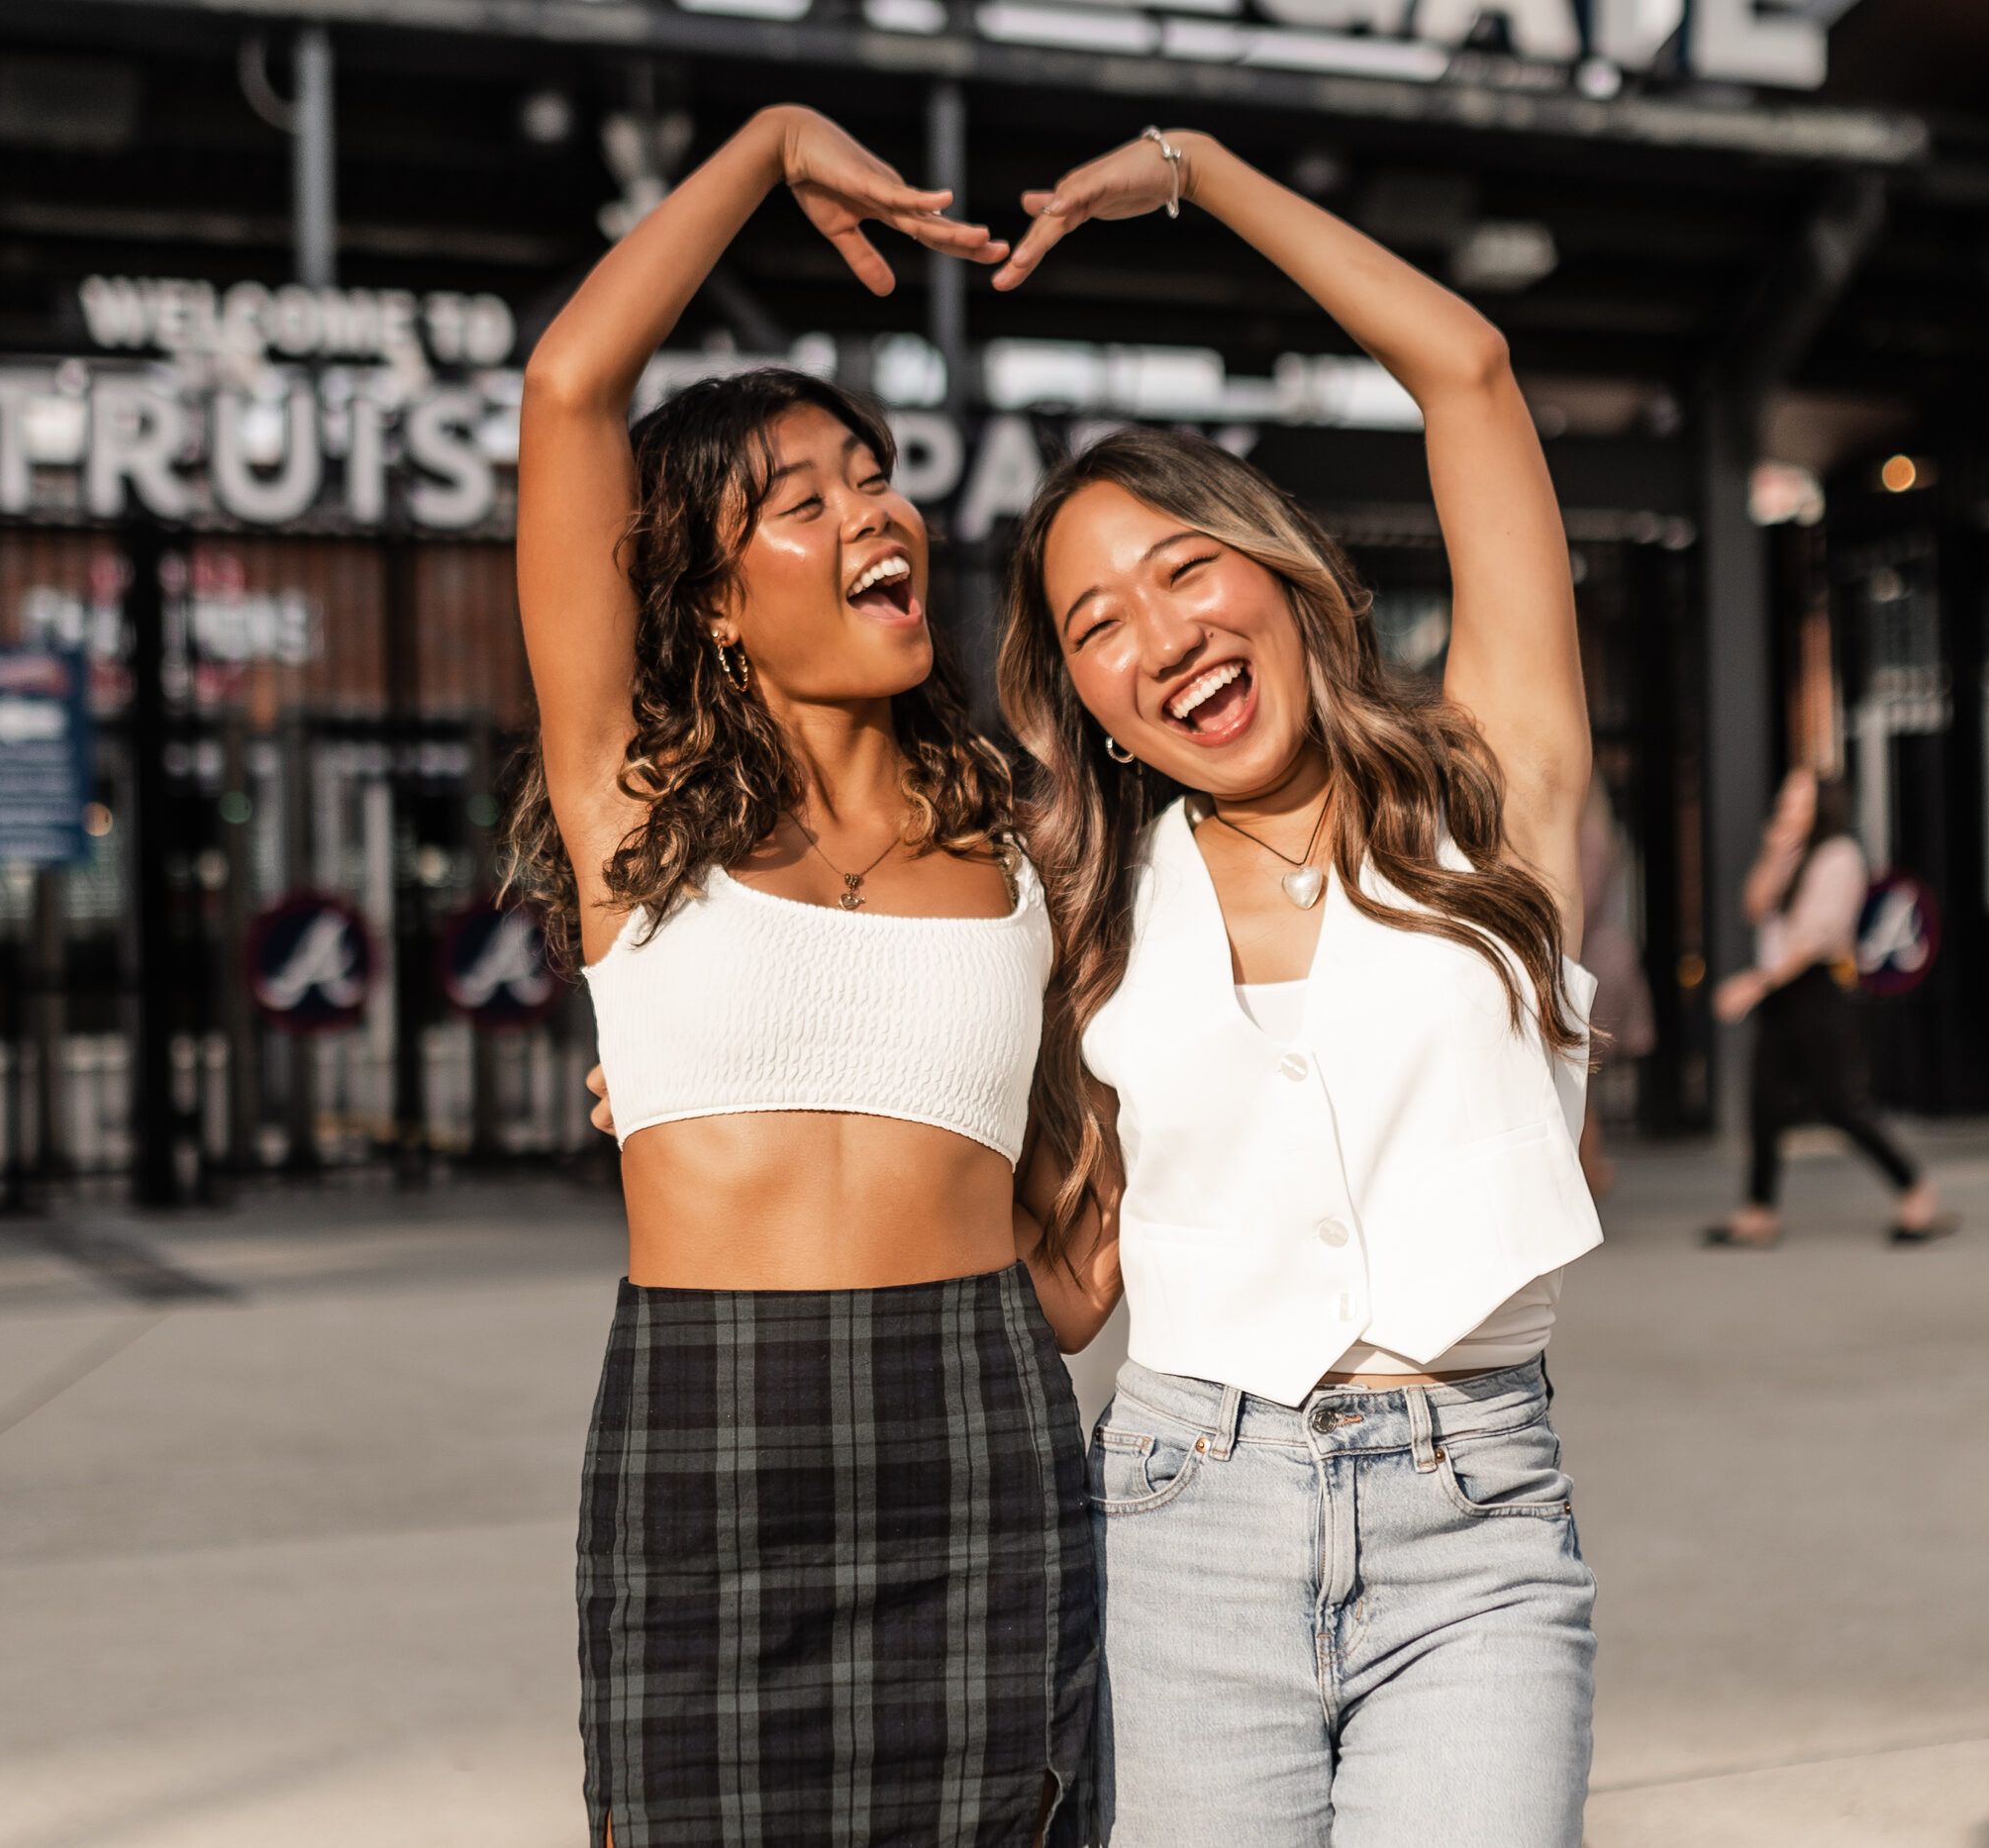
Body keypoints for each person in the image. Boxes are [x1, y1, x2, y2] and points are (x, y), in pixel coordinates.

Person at [989, 126, 1604, 1846]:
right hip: (1183, 1504)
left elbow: (1466, 371)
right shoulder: (1087, 908)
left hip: (1472, 1505)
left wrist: (1197, 172)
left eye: (1185, 566)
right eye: (1095, 622)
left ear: (1274, 571)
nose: (1157, 630)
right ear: (1088, 699)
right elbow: (1058, 1289)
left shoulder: (1488, 782)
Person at [508, 105, 1096, 1844]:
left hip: (982, 1435)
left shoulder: (1023, 845)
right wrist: (763, 148)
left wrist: (1008, 1340)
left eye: (872, 473)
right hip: (705, 1436)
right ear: (705, 599)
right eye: (798, 499)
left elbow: (1099, 1167)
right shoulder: (628, 806)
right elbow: (564, 391)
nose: (871, 508)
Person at [1705, 768, 1948, 1247]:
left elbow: (1815, 938)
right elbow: (1754, 906)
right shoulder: (1789, 853)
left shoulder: (1840, 856)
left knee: (1841, 1103)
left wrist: (1756, 985)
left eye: (1799, 799)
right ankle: (1758, 1212)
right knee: (1765, 1102)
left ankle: (1915, 1190)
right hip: (1781, 990)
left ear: (1824, 805)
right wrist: (1775, 852)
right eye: (1786, 797)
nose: (1787, 806)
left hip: (1819, 991)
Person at [1575, 780, 1657, 1193]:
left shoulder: (1587, 837)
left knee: (1573, 1081)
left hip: (1586, 964)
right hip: (1598, 960)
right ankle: (1589, 1175)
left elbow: (1578, 909)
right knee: (1576, 1081)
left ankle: (1589, 1177)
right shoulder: (1600, 833)